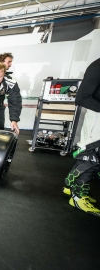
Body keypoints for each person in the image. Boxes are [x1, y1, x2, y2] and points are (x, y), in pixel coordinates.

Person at [64, 58, 100, 216]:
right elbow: (81, 98)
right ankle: (78, 196)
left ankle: (69, 186)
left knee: (95, 156)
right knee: (90, 157)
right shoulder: (98, 65)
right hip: (97, 116)